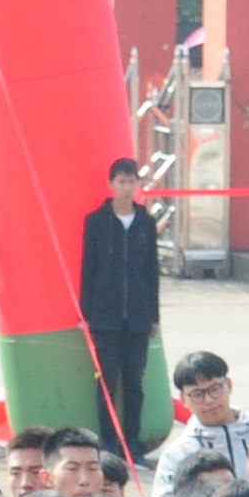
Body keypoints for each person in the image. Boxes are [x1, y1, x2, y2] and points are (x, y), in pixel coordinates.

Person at [77, 157, 163, 475]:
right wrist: (85, 313)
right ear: (111, 184)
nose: (127, 187)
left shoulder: (146, 222)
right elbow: (88, 269)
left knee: (134, 383)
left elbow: (152, 271)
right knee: (106, 382)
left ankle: (133, 445)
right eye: (121, 181)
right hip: (104, 315)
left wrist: (154, 315)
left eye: (132, 181)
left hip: (138, 316)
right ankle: (108, 445)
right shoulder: (96, 221)